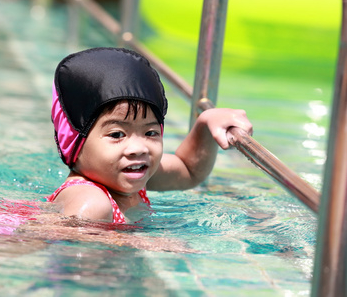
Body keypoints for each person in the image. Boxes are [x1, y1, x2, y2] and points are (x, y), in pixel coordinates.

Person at [46, 47, 253, 224]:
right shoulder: (91, 203)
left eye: (150, 132)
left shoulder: (130, 178)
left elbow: (189, 171)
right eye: (117, 134)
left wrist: (206, 123)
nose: (139, 148)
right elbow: (76, 265)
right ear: (74, 141)